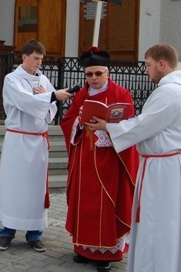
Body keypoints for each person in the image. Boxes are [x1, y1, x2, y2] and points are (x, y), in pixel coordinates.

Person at [87, 43, 181, 272]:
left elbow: (144, 125)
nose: (146, 70)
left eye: (148, 65)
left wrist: (108, 126)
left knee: (156, 223)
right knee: (168, 224)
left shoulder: (170, 92)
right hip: (171, 165)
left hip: (162, 169)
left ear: (161, 63)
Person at [59, 49, 138, 272]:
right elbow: (67, 121)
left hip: (110, 159)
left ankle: (108, 252)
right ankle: (83, 248)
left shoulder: (121, 94)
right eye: (89, 74)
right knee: (84, 203)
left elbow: (130, 125)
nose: (93, 78)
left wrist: (107, 130)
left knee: (106, 202)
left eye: (98, 73)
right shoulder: (81, 95)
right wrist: (79, 122)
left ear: (107, 72)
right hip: (84, 157)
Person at [0, 40, 74, 251]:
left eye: (41, 59)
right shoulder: (12, 79)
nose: (39, 63)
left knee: (35, 188)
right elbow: (24, 102)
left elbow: (50, 110)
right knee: (14, 186)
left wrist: (47, 98)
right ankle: (7, 231)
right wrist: (49, 97)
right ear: (24, 57)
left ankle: (34, 233)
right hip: (18, 140)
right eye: (35, 58)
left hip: (38, 140)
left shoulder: (44, 80)